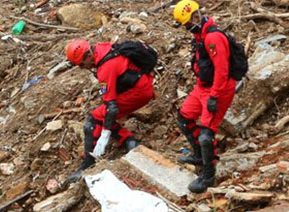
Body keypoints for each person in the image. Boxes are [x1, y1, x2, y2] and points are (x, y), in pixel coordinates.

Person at [64, 39, 155, 183]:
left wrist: (104, 135)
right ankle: (129, 141)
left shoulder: (105, 69)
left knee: (92, 122)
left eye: (82, 65)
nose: (83, 68)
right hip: (141, 83)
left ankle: (87, 165)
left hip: (138, 92)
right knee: (101, 115)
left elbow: (111, 108)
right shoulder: (103, 48)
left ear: (88, 55)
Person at [173, 0, 237, 193]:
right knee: (184, 118)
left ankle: (208, 175)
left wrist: (214, 96)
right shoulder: (200, 34)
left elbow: (222, 70)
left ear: (196, 17)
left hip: (219, 88)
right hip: (203, 87)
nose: (187, 28)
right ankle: (199, 156)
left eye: (187, 24)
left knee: (206, 136)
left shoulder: (213, 37)